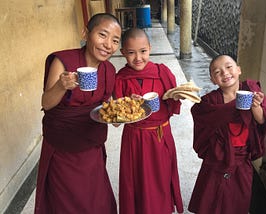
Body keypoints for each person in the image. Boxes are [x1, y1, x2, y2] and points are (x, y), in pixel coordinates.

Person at [35, 13, 121, 214]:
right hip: (63, 150)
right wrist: (60, 86)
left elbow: (109, 111)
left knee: (96, 202)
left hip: (92, 148)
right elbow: (46, 104)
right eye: (102, 35)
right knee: (66, 205)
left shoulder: (109, 70)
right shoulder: (64, 61)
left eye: (115, 40)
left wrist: (123, 114)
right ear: (85, 33)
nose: (108, 44)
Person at [188, 55, 266, 214]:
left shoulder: (252, 91)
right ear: (213, 80)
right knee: (212, 199)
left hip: (242, 159)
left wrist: (256, 106)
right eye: (217, 72)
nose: (224, 73)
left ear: (238, 70)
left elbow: (262, 121)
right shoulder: (210, 102)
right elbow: (199, 115)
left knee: (237, 200)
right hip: (218, 158)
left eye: (228, 67)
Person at [114, 28, 184, 214]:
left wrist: (176, 97)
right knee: (136, 180)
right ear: (123, 53)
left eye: (143, 51)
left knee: (161, 178)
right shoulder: (121, 78)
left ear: (150, 49)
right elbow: (116, 119)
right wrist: (130, 106)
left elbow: (173, 106)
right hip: (135, 138)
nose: (138, 57)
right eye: (131, 52)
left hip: (160, 136)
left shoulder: (162, 72)